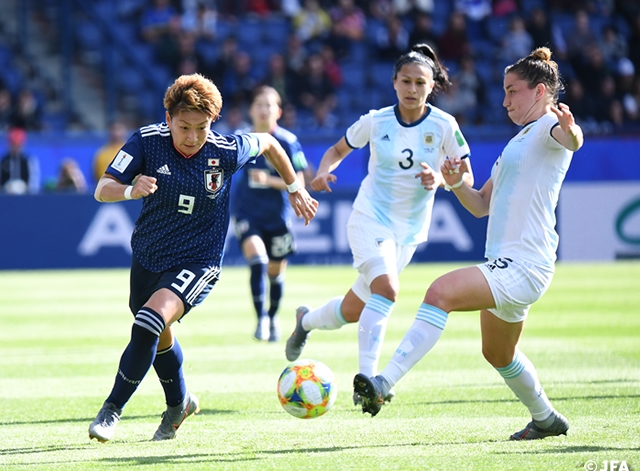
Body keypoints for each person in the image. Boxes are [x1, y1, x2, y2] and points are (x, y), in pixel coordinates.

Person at [353, 47, 584, 442]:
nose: (505, 100)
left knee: (439, 291)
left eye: (513, 91)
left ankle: (383, 383)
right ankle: (545, 418)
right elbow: (480, 206)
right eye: (505, 91)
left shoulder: (548, 127)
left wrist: (572, 129)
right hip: (511, 262)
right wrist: (456, 181)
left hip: (523, 263)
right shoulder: (518, 143)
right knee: (498, 354)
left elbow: (572, 140)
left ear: (540, 91)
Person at [88, 73, 318, 443]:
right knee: (157, 333)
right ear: (168, 119)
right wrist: (131, 189)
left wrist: (295, 188)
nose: (193, 137)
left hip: (199, 260)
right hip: (149, 256)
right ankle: (179, 404)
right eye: (184, 127)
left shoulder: (225, 149)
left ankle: (111, 410)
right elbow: (102, 189)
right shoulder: (147, 141)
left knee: (149, 321)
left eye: (202, 127)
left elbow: (271, 144)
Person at [285, 44, 473, 406]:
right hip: (369, 219)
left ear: (431, 86)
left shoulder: (445, 125)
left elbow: (465, 173)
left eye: (420, 82)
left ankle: (305, 320)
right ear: (394, 82)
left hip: (408, 235)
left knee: (354, 310)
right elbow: (337, 149)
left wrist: (442, 178)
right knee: (387, 290)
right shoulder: (376, 120)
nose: (412, 89)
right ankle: (368, 383)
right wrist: (324, 172)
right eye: (406, 81)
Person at [231, 86, 310, 342]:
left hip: (277, 216)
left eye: (269, 105)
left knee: (275, 273)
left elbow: (299, 181)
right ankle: (261, 320)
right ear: (251, 110)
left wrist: (268, 180)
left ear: (278, 111)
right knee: (258, 260)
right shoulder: (241, 138)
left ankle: (273, 317)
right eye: (259, 105)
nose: (264, 110)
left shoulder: (287, 141)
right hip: (247, 213)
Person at [0, 127, 40, 194]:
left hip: (25, 197)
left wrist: (25, 189)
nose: (15, 147)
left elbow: (34, 182)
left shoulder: (29, 160)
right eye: (13, 144)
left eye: (18, 145)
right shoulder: (3, 160)